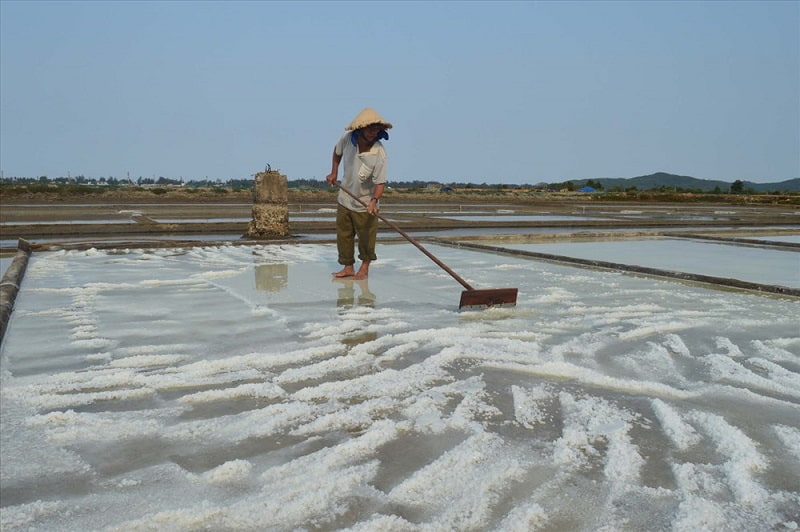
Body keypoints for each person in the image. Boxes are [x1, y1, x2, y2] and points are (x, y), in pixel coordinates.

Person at [325, 107, 392, 280]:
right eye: (370, 128)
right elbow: (336, 152)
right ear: (360, 128)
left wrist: (374, 200)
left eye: (376, 129)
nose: (373, 132)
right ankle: (348, 267)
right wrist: (334, 173)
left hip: (365, 203)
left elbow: (380, 183)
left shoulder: (379, 153)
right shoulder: (347, 139)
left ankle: (364, 268)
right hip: (345, 197)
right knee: (344, 234)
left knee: (366, 238)